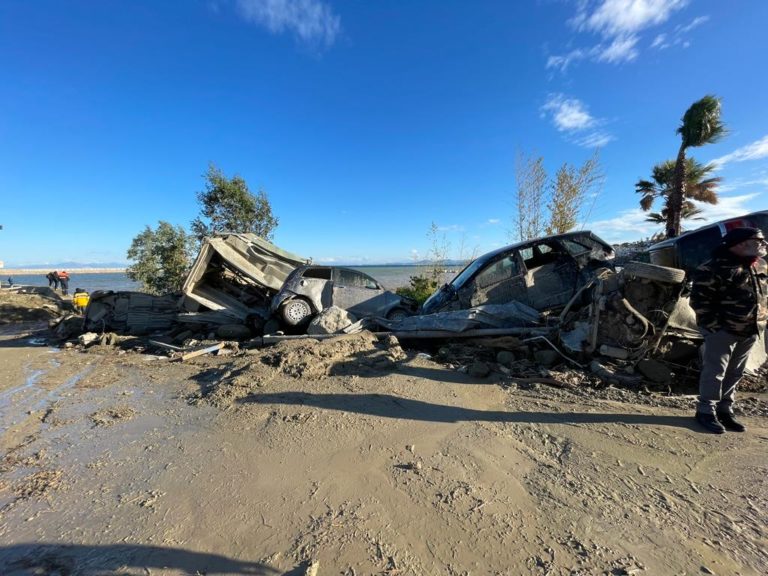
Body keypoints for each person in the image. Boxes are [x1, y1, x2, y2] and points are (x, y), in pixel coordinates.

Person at [690, 227, 768, 434]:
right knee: (715, 371)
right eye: (759, 240)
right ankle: (706, 411)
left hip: (752, 329)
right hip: (723, 331)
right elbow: (699, 301)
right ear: (741, 243)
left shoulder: (759, 265)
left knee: (735, 372)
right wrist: (714, 328)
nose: (764, 244)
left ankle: (725, 410)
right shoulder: (713, 267)